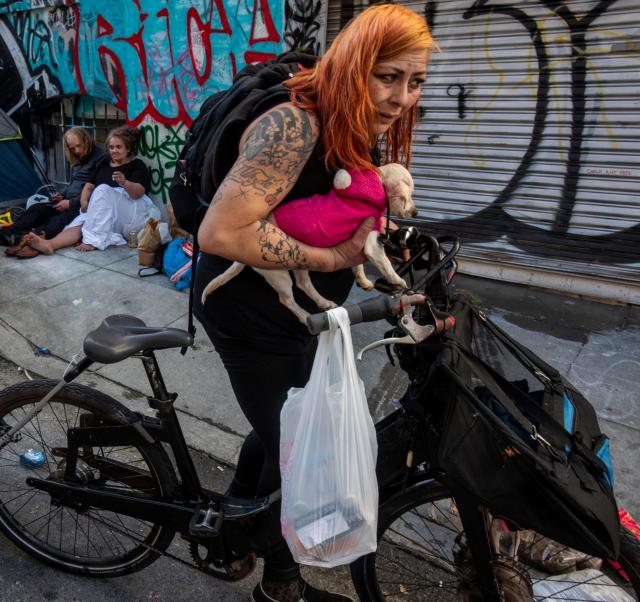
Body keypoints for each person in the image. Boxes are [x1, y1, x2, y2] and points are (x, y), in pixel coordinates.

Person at [193, 5, 434, 602]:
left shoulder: (355, 118)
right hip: (250, 314)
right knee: (298, 452)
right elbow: (220, 234)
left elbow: (339, 207)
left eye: (416, 80)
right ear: (355, 65)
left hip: (307, 315)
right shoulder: (293, 126)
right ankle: (279, 583)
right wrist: (332, 260)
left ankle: (236, 525)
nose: (402, 97)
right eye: (389, 76)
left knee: (283, 424)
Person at [23, 125, 152, 254]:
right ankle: (50, 244)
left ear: (128, 148)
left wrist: (125, 183)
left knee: (103, 190)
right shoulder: (104, 163)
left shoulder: (137, 165)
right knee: (82, 221)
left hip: (130, 213)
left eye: (119, 147)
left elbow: (138, 194)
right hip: (106, 213)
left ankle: (93, 241)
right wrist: (84, 201)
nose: (114, 151)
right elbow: (89, 185)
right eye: (111, 147)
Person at [4, 127, 106, 258]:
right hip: (67, 201)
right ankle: (12, 234)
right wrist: (62, 195)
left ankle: (36, 241)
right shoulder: (78, 160)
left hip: (82, 206)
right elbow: (73, 185)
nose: (77, 151)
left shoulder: (101, 159)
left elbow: (98, 191)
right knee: (37, 209)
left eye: (78, 146)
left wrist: (71, 203)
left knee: (59, 219)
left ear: (86, 140)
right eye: (72, 148)